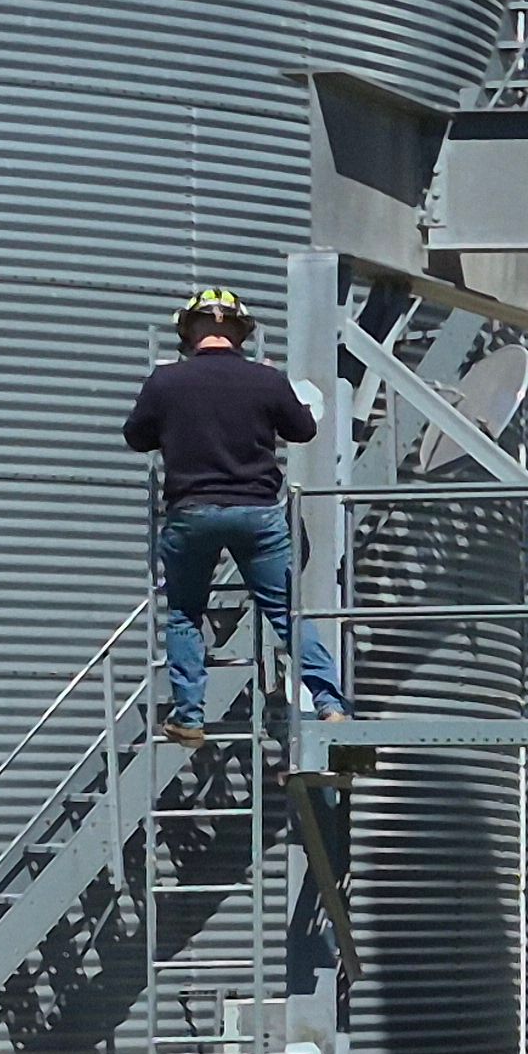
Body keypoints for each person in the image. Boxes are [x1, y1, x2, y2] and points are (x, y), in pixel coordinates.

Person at [123, 287, 346, 742]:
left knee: (185, 612)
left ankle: (188, 716)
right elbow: (303, 429)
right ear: (241, 333)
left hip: (192, 512)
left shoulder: (165, 382)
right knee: (286, 612)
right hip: (257, 513)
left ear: (188, 330)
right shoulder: (265, 379)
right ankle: (329, 703)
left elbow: (136, 437)